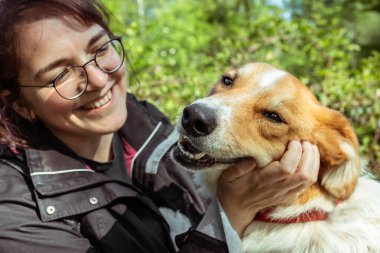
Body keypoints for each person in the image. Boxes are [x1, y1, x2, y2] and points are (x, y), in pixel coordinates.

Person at [0, 0, 320, 252]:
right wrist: (232, 212)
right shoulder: (14, 215)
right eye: (60, 75)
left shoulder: (151, 130)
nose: (99, 80)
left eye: (100, 48)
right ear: (20, 103)